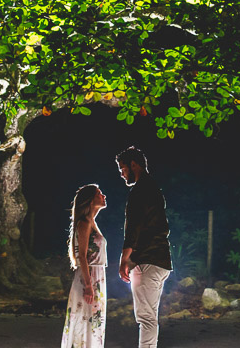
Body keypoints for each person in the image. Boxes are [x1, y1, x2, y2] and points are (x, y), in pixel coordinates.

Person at [116, 146, 171, 348]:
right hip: (162, 260)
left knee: (146, 319)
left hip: (147, 261)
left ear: (133, 165)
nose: (122, 174)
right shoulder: (155, 189)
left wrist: (124, 259)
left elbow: (133, 227)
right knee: (150, 317)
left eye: (123, 169)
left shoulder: (139, 191)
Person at [61, 184, 108, 348]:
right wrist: (88, 285)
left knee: (94, 321)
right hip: (89, 278)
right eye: (99, 193)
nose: (103, 196)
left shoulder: (92, 222)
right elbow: (82, 255)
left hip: (97, 276)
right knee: (86, 320)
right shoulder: (84, 223)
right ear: (90, 200)